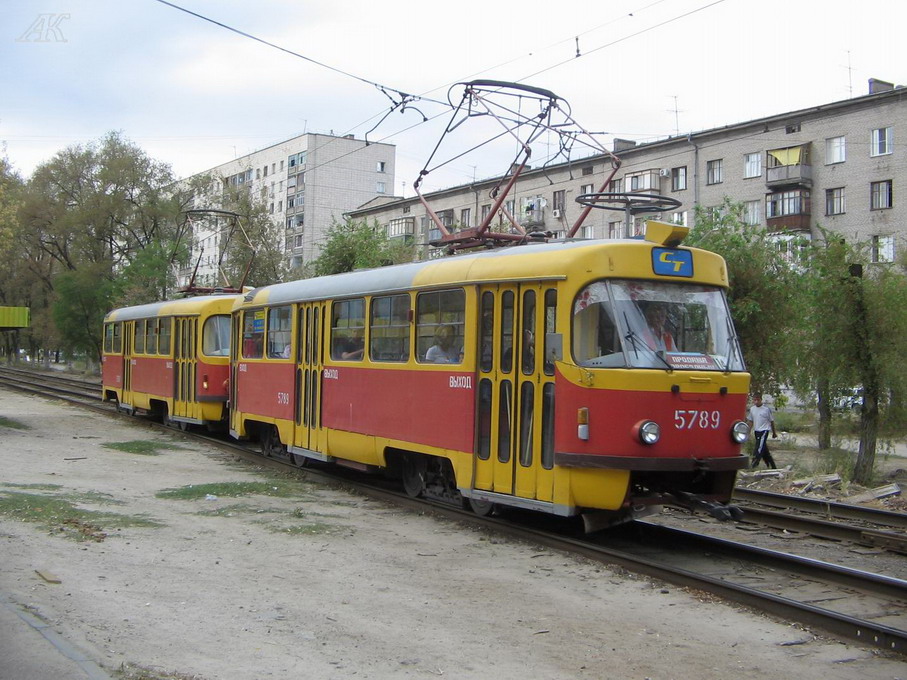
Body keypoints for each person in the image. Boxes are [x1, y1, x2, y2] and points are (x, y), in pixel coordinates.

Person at [747, 394, 778, 469]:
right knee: (764, 450)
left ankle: (754, 464)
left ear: (761, 400)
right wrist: (748, 431)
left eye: (758, 400)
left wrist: (774, 432)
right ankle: (772, 466)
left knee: (758, 448)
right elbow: (751, 421)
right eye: (755, 400)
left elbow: (771, 421)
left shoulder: (766, 409)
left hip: (764, 430)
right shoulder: (752, 409)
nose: (756, 401)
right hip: (757, 430)